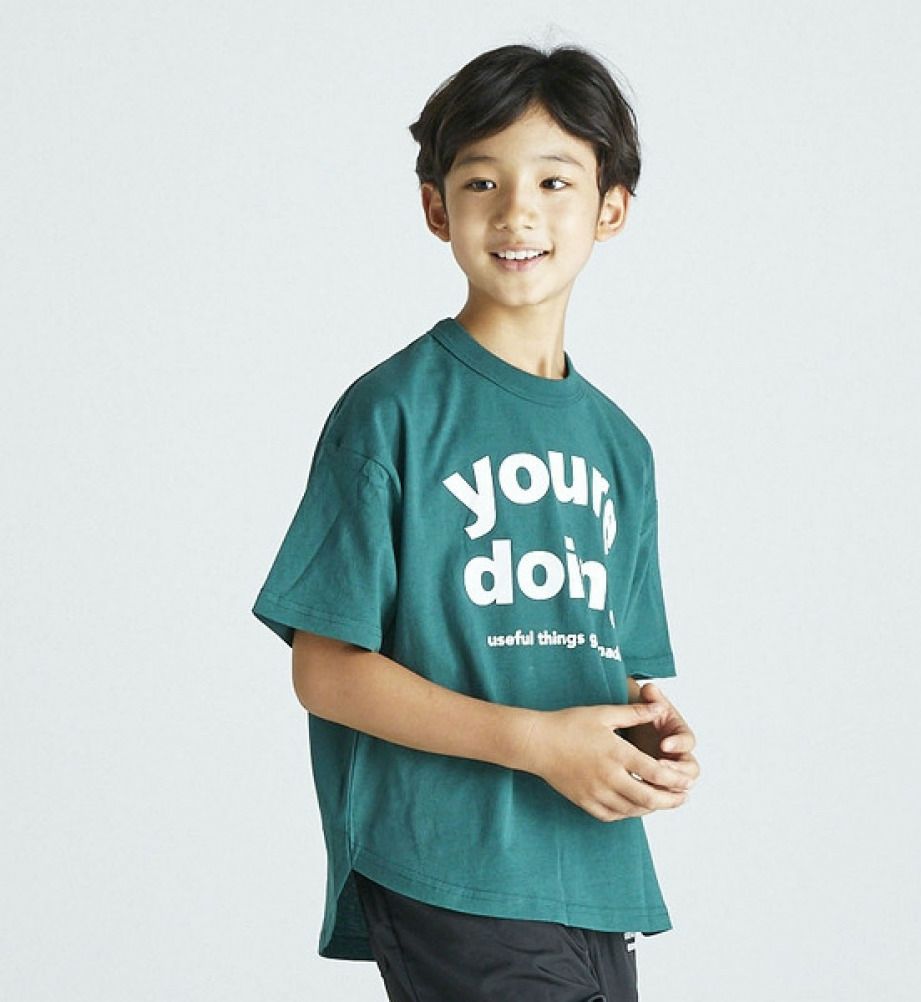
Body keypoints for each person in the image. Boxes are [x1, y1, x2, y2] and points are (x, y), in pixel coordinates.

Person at [251, 41, 701, 1002]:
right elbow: (324, 669)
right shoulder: (392, 413)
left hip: (593, 869)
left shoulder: (622, 448)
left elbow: (604, 658)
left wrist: (647, 732)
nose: (517, 212)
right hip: (450, 862)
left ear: (612, 207)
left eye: (555, 181)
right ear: (436, 207)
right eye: (483, 181)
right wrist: (537, 743)